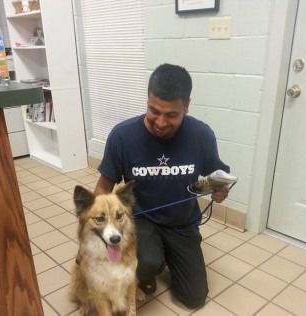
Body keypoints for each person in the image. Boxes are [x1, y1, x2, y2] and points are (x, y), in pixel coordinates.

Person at [94, 63, 230, 309]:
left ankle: (167, 257)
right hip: (140, 221)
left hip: (182, 223)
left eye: (171, 115)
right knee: (146, 263)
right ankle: (150, 265)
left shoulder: (201, 135)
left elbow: (217, 176)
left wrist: (221, 190)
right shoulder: (122, 136)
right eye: (153, 111)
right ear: (147, 100)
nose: (160, 121)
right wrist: (98, 230)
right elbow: (103, 188)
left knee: (193, 298)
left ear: (186, 107)